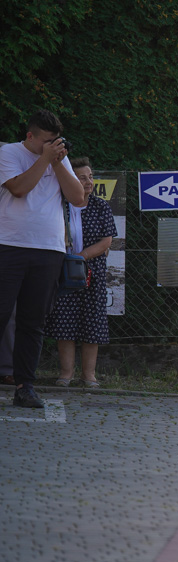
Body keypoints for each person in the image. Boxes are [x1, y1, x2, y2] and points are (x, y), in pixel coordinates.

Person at [0, 109, 85, 408]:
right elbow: (20, 189)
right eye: (47, 142)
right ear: (30, 136)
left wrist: (57, 162)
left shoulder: (57, 160)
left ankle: (25, 386)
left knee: (32, 322)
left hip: (48, 249)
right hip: (8, 245)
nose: (54, 147)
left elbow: (78, 198)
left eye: (57, 142)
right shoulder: (8, 153)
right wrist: (45, 159)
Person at [44, 157, 117, 388]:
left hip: (91, 273)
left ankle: (89, 376)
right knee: (64, 323)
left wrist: (81, 257)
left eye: (90, 177)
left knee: (91, 324)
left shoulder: (100, 206)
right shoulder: (59, 204)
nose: (88, 182)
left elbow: (107, 241)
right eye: (81, 178)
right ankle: (66, 374)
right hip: (62, 272)